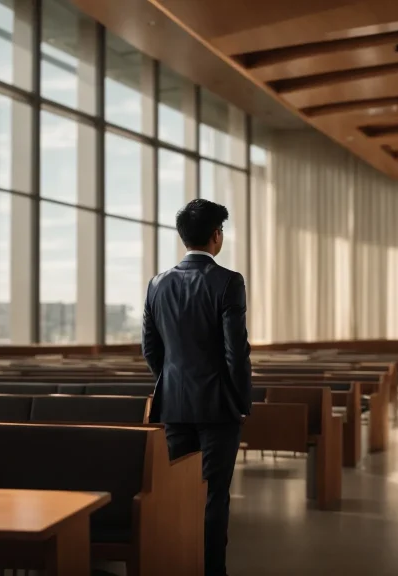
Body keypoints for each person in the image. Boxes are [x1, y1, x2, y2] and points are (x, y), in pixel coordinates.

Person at [142, 198, 252, 576]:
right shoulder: (228, 282)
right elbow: (235, 352)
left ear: (182, 236)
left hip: (173, 406)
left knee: (179, 494)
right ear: (216, 235)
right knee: (213, 495)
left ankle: (179, 563)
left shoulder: (157, 284)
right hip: (219, 408)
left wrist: (173, 379)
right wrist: (240, 401)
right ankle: (211, 570)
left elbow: (150, 348)